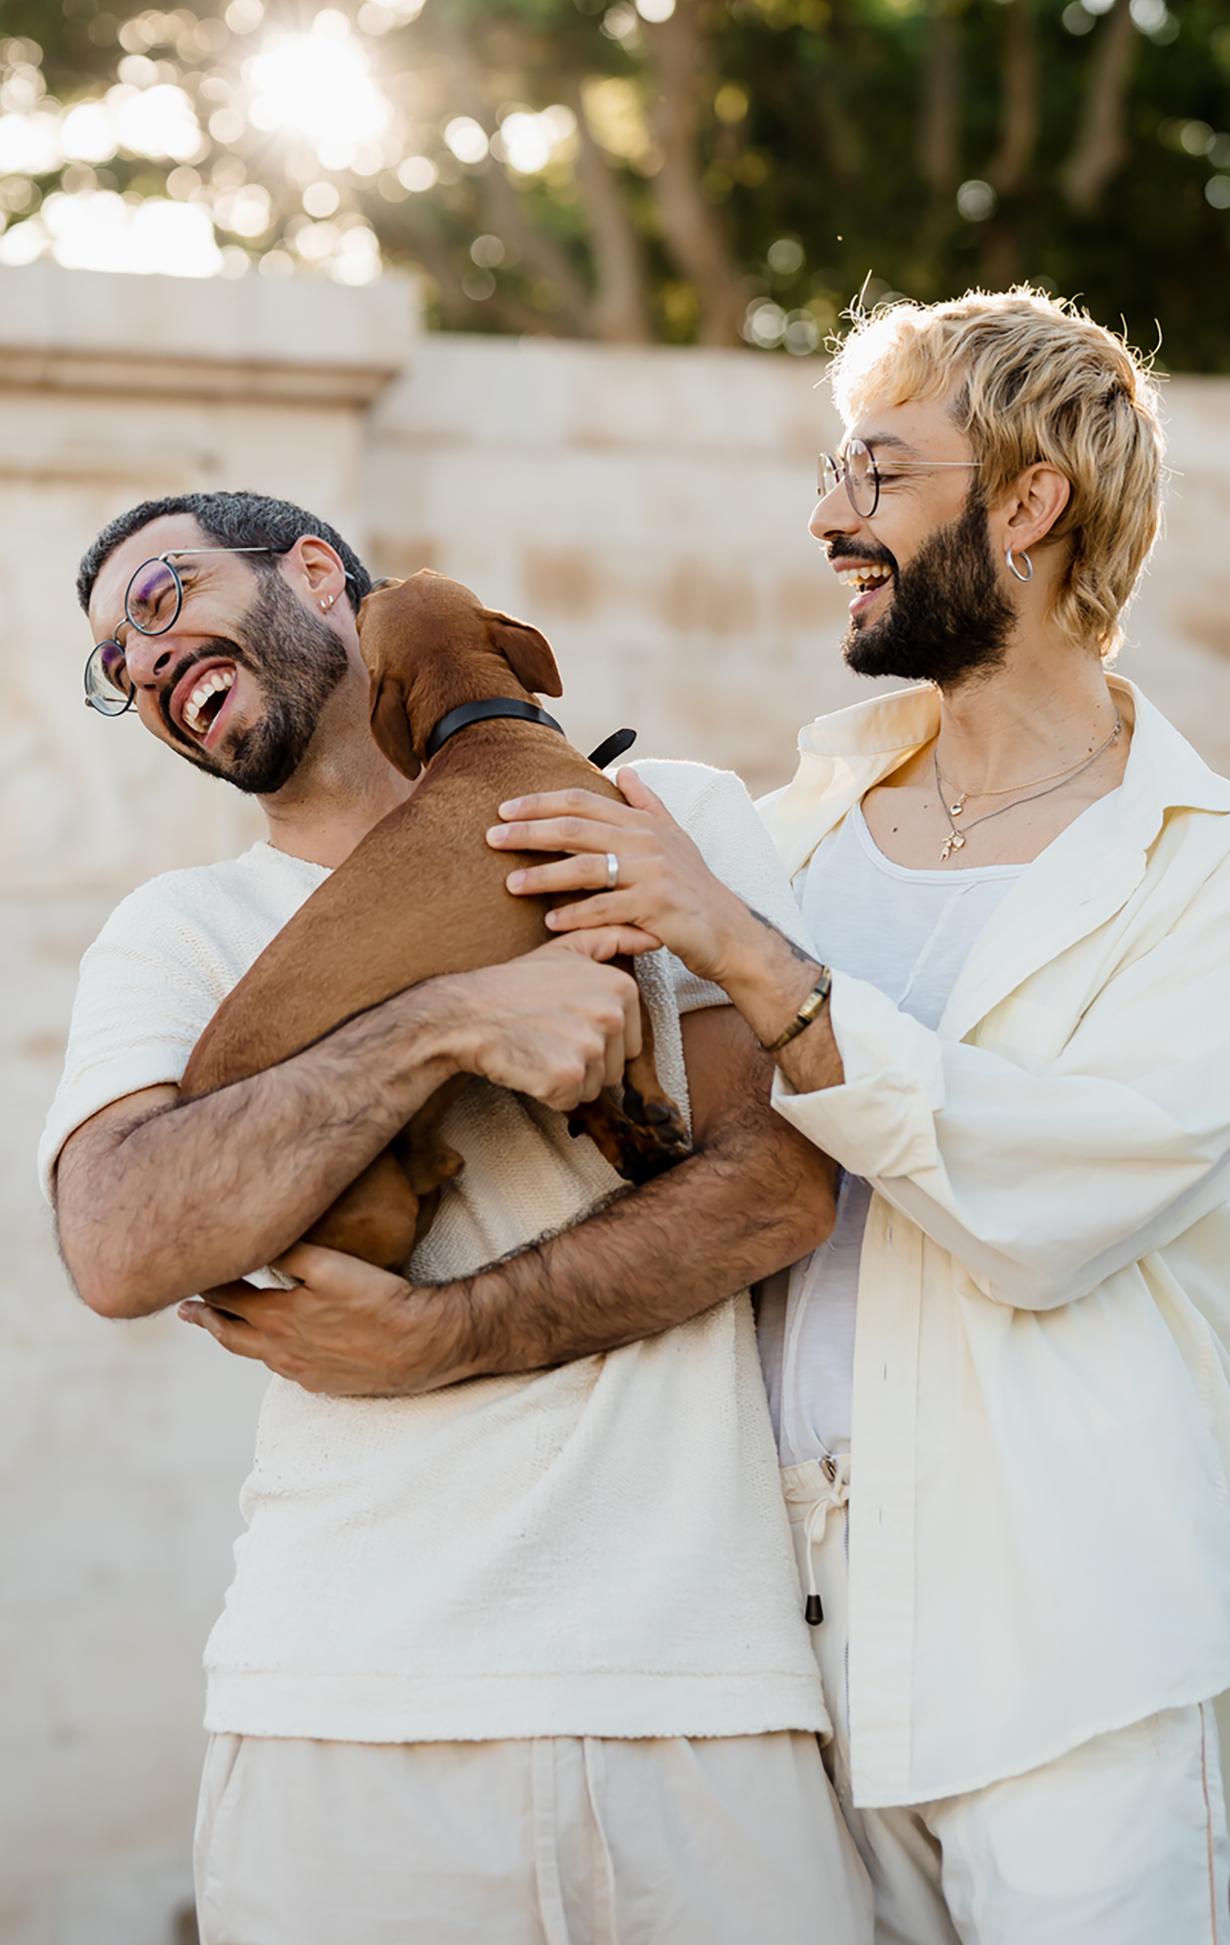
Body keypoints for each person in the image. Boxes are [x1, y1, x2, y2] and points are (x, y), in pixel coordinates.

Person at [485, 288, 1230, 1942]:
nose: (827, 517)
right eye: (832, 471)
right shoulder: (792, 834)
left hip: (1071, 1673)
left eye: (876, 473)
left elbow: (1041, 1209)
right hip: (781, 1667)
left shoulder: (1200, 874)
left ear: (1026, 503)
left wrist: (745, 952)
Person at [40, 493, 872, 1944]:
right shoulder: (175, 933)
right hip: (344, 1717)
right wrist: (446, 1020)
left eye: (161, 598)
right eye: (115, 661)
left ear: (315, 574)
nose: (144, 660)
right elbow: (116, 1243)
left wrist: (442, 1334)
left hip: (699, 1701)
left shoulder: (655, 816)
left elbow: (781, 1187)